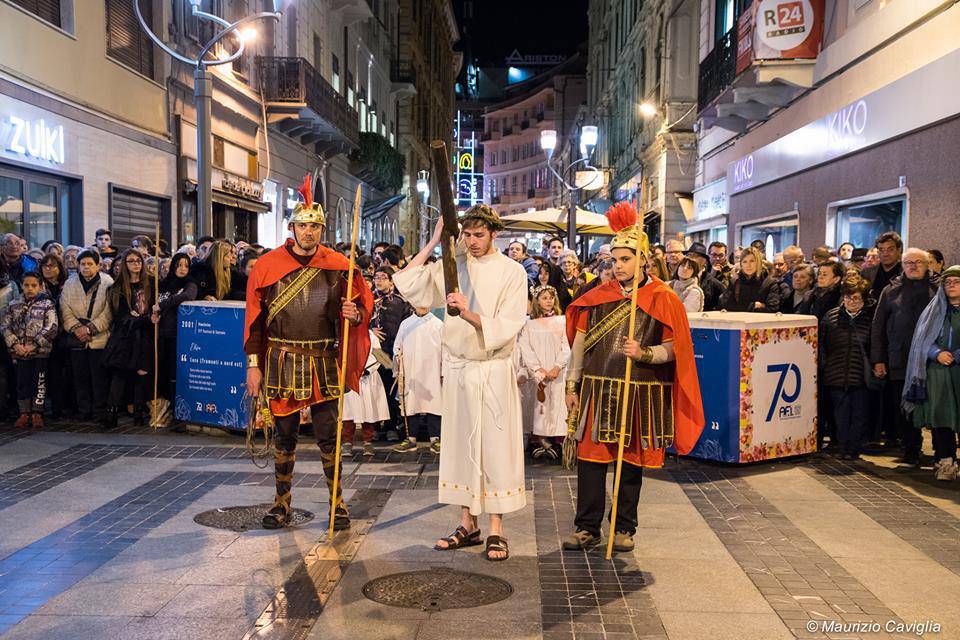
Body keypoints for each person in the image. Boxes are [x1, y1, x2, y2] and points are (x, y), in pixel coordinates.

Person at [562, 202, 704, 552]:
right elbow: (579, 345)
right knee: (592, 460)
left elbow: (675, 349)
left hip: (640, 391)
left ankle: (624, 528)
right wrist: (571, 386)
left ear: (643, 260)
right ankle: (587, 527)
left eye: (626, 259)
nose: (618, 266)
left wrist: (643, 353)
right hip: (597, 388)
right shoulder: (596, 297)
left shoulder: (663, 298)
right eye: (615, 260)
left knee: (631, 463)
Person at [393, 204, 528, 562]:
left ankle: (496, 528)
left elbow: (511, 322)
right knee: (459, 450)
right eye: (466, 235)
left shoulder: (513, 272)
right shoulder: (453, 267)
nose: (472, 242)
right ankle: (467, 523)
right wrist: (436, 239)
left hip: (492, 369)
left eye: (479, 235)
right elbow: (407, 282)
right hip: (457, 371)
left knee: (495, 449)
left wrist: (467, 313)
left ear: (494, 234)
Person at [244, 175, 373, 530]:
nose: (308, 233)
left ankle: (337, 505)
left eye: (314, 227)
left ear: (322, 230)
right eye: (303, 226)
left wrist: (355, 313)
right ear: (292, 228)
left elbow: (361, 308)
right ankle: (281, 504)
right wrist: (253, 366)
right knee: (284, 436)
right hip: (281, 360)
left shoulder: (338, 266)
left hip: (323, 361)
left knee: (329, 437)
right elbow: (255, 322)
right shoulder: (268, 267)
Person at [871, 247, 937, 464]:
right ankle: (910, 449)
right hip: (899, 358)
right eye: (909, 263)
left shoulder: (937, 289)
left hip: (932, 359)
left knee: (934, 405)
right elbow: (878, 327)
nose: (914, 266)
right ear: (903, 266)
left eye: (919, 262)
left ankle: (941, 452)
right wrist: (878, 359)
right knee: (904, 408)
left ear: (927, 266)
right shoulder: (890, 291)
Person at [903, 265, 960, 481]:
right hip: (939, 373)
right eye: (947, 282)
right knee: (941, 417)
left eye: (956, 282)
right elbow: (920, 340)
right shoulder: (934, 310)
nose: (951, 285)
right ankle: (945, 461)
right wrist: (936, 353)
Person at [819, 280, 875, 459]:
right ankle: (843, 446)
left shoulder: (871, 318)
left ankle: (854, 448)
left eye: (856, 298)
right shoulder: (831, 316)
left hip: (860, 375)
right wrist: (824, 364)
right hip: (836, 373)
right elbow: (822, 344)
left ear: (864, 300)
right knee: (840, 414)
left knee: (860, 414)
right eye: (848, 297)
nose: (851, 301)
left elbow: (875, 345)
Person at [103, 249, 154, 428]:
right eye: (131, 261)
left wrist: (147, 317)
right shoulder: (117, 288)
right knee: (120, 374)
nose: (136, 264)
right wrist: (145, 318)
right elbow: (121, 316)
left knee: (141, 373)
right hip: (124, 337)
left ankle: (139, 412)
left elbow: (155, 308)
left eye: (138, 260)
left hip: (145, 336)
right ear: (125, 264)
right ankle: (111, 413)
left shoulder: (152, 284)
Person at [518, 285, 570, 461]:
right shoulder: (529, 324)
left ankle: (559, 442)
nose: (549, 301)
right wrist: (537, 369)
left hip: (557, 373)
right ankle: (540, 441)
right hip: (538, 374)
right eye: (544, 298)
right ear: (537, 301)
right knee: (540, 408)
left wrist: (557, 366)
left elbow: (566, 345)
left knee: (557, 407)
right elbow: (525, 347)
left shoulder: (562, 321)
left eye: (551, 298)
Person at [61, 250, 113, 423]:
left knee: (99, 379)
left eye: (90, 264)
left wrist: (90, 328)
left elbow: (109, 311)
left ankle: (100, 411)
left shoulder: (107, 282)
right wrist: (77, 328)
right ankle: (84, 410)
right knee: (80, 377)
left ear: (98, 265)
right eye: (83, 264)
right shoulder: (70, 283)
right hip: (77, 338)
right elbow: (64, 308)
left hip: (99, 338)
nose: (86, 267)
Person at [1, 272, 57, 429]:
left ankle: (37, 412)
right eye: (26, 285)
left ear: (40, 286)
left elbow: (51, 327)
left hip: (39, 352)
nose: (30, 288)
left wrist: (34, 345)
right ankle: (24, 412)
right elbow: (5, 326)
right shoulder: (13, 305)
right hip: (20, 352)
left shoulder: (47, 304)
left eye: (34, 285)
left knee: (39, 382)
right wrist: (16, 345)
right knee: (22, 382)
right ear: (21, 286)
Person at [392, 306, 444, 455]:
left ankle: (435, 439)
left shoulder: (438, 324)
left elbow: (445, 349)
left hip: (432, 372)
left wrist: (443, 371)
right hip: (411, 372)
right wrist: (398, 361)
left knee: (434, 404)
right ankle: (411, 439)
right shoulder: (406, 324)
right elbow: (397, 347)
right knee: (411, 404)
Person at [370, 265, 412, 442]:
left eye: (382, 277)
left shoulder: (399, 301)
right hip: (372, 352)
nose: (378, 281)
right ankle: (374, 425)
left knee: (389, 388)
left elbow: (406, 326)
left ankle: (391, 425)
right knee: (373, 388)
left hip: (389, 352)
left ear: (391, 280)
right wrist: (371, 329)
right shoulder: (368, 299)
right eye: (376, 277)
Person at [150, 253, 197, 404]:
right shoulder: (163, 284)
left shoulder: (190, 284)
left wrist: (162, 305)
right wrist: (154, 313)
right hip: (160, 333)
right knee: (160, 370)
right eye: (179, 265)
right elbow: (153, 304)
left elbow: (186, 296)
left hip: (177, 334)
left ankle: (175, 406)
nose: (183, 269)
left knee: (173, 373)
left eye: (186, 266)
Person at [342, 330, 391, 456]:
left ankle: (368, 442)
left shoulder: (371, 337)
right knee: (348, 411)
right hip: (351, 377)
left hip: (368, 378)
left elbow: (380, 357)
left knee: (368, 411)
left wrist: (369, 370)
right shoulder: (346, 334)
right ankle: (347, 442)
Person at [39, 254, 71, 418]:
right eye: (45, 265)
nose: (48, 268)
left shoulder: (67, 285)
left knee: (58, 374)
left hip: (61, 336)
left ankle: (59, 408)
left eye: (52, 265)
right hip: (40, 336)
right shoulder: (37, 285)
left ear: (60, 268)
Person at [718, 246, 781, 312]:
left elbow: (772, 308)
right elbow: (725, 304)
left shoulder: (770, 283)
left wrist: (739, 306)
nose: (748, 265)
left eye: (752, 261)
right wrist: (753, 306)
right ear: (741, 264)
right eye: (745, 261)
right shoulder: (735, 282)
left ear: (758, 262)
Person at [862, 232, 904, 302]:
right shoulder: (866, 273)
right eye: (881, 250)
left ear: (899, 250)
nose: (885, 254)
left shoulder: (906, 273)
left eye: (890, 249)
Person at [685, 242, 723, 311]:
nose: (691, 259)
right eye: (689, 255)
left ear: (704, 261)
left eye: (695, 256)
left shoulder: (714, 283)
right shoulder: (680, 277)